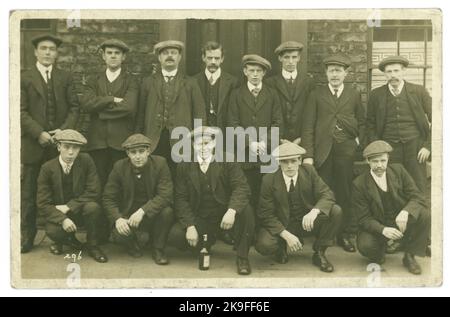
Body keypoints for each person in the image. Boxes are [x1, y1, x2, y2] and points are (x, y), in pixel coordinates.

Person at [21, 34, 79, 253]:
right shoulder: (24, 77)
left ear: (57, 53)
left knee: (59, 192)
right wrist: (39, 133)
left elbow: (75, 107)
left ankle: (58, 237)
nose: (47, 52)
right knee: (29, 192)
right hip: (34, 145)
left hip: (59, 145)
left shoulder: (66, 77)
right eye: (43, 48)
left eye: (52, 49)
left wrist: (63, 132)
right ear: (35, 52)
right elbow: (20, 110)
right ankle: (27, 236)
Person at [169, 126, 255, 275]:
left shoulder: (227, 160)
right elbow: (180, 198)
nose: (203, 148)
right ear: (193, 145)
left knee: (246, 210)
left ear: (214, 144)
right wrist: (190, 225)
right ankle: (207, 241)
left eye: (207, 143)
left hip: (224, 215)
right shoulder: (184, 165)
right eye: (199, 144)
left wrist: (231, 210)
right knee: (176, 236)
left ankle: (242, 257)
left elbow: (242, 187)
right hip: (201, 216)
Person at [302, 53, 366, 253]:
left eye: (339, 71)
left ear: (346, 73)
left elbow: (363, 122)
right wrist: (309, 155)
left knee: (345, 193)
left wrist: (358, 144)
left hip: (345, 153)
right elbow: (308, 126)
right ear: (326, 73)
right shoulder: (316, 94)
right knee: (323, 193)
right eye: (331, 71)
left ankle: (345, 234)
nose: (335, 75)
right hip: (322, 153)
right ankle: (323, 234)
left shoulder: (353, 94)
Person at [255, 141, 342, 272]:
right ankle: (280, 247)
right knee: (264, 245)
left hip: (305, 222)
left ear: (300, 160)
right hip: (283, 224)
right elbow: (265, 214)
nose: (290, 166)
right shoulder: (269, 179)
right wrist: (285, 235)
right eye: (285, 162)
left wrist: (314, 212)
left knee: (335, 211)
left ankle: (319, 252)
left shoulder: (309, 172)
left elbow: (327, 194)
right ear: (278, 162)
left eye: (293, 161)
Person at [352, 140, 430, 275]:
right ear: (368, 162)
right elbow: (364, 219)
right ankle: (382, 249)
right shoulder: (359, 184)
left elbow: (417, 196)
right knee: (366, 246)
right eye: (375, 161)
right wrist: (383, 230)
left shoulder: (398, 171)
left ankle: (409, 256)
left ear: (388, 159)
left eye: (383, 161)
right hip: (378, 225)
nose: (379, 165)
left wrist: (406, 211)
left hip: (400, 220)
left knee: (424, 214)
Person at [136, 40, 206, 176]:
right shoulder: (148, 82)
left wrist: (198, 142)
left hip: (182, 140)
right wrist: (140, 139)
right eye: (165, 53)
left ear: (179, 57)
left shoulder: (191, 83)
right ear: (159, 58)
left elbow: (199, 114)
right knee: (154, 175)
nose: (170, 56)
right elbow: (140, 114)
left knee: (180, 177)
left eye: (174, 53)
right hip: (154, 140)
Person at [36, 130, 107, 263]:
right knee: (54, 231)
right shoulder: (47, 168)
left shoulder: (86, 160)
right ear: (58, 147)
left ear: (80, 149)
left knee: (93, 208)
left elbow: (94, 191)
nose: (70, 152)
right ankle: (64, 240)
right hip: (58, 214)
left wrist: (69, 206)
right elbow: (42, 203)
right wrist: (63, 219)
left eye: (75, 148)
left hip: (79, 210)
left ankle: (93, 246)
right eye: (66, 147)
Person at [102, 134, 174, 265]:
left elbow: (165, 195)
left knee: (167, 212)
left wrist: (142, 211)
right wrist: (118, 218)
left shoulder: (160, 163)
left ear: (148, 151)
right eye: (133, 152)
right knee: (118, 234)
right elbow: (108, 198)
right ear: (127, 153)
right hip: (127, 215)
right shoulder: (119, 167)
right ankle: (131, 244)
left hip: (150, 214)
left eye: (141, 151)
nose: (138, 156)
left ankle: (158, 248)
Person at [366, 56, 431, 193]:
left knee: (418, 186)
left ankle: (419, 214)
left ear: (404, 71)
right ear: (385, 74)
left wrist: (427, 146)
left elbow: (438, 119)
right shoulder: (376, 95)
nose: (393, 75)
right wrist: (378, 149)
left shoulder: (419, 91)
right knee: (393, 186)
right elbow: (370, 125)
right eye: (389, 72)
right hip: (389, 148)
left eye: (396, 71)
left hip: (416, 148)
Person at [80, 39, 139, 187]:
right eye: (109, 53)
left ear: (123, 57)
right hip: (97, 141)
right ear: (103, 56)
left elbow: (129, 107)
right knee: (98, 181)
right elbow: (87, 104)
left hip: (120, 142)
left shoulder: (131, 81)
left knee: (121, 181)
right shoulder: (93, 80)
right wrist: (111, 99)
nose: (113, 56)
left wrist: (101, 112)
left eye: (117, 53)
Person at [228, 54, 282, 209]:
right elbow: (232, 123)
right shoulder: (236, 94)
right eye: (252, 70)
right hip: (244, 156)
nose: (255, 74)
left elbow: (277, 122)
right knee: (245, 193)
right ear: (245, 71)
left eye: (259, 71)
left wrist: (266, 142)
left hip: (267, 155)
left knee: (266, 195)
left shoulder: (272, 94)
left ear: (264, 73)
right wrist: (249, 143)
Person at [265, 41, 315, 143]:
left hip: (302, 139)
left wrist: (302, 138)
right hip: (278, 139)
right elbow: (267, 114)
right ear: (280, 58)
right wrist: (279, 139)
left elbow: (312, 113)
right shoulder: (270, 83)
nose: (291, 61)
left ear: (299, 58)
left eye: (294, 57)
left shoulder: (308, 82)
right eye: (287, 57)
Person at [193, 41, 238, 130]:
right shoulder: (194, 81)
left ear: (222, 59)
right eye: (209, 58)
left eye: (217, 58)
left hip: (224, 133)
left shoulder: (233, 82)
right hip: (201, 132)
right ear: (203, 58)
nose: (213, 62)